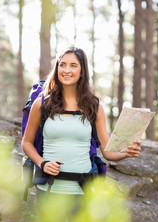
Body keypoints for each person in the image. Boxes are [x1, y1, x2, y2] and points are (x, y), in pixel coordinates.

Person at [21, 46, 141, 197]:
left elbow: (108, 152)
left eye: (73, 65)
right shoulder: (42, 103)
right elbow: (26, 143)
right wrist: (42, 163)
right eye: (62, 64)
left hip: (82, 192)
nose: (66, 70)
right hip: (48, 191)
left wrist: (127, 153)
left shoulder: (94, 107)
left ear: (82, 71)